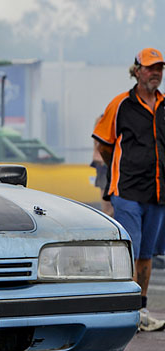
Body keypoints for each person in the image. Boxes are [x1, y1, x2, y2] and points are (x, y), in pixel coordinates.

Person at [93, 48, 165, 331]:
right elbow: (104, 144)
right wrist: (120, 170)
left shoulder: (164, 106)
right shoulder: (120, 104)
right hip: (127, 191)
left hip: (158, 192)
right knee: (129, 252)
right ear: (136, 71)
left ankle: (141, 311)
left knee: (147, 254)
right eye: (150, 68)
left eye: (159, 68)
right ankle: (127, 311)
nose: (156, 73)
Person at [90, 115, 113, 216]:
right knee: (107, 207)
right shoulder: (102, 120)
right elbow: (97, 147)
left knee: (111, 207)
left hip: (111, 167)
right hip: (105, 167)